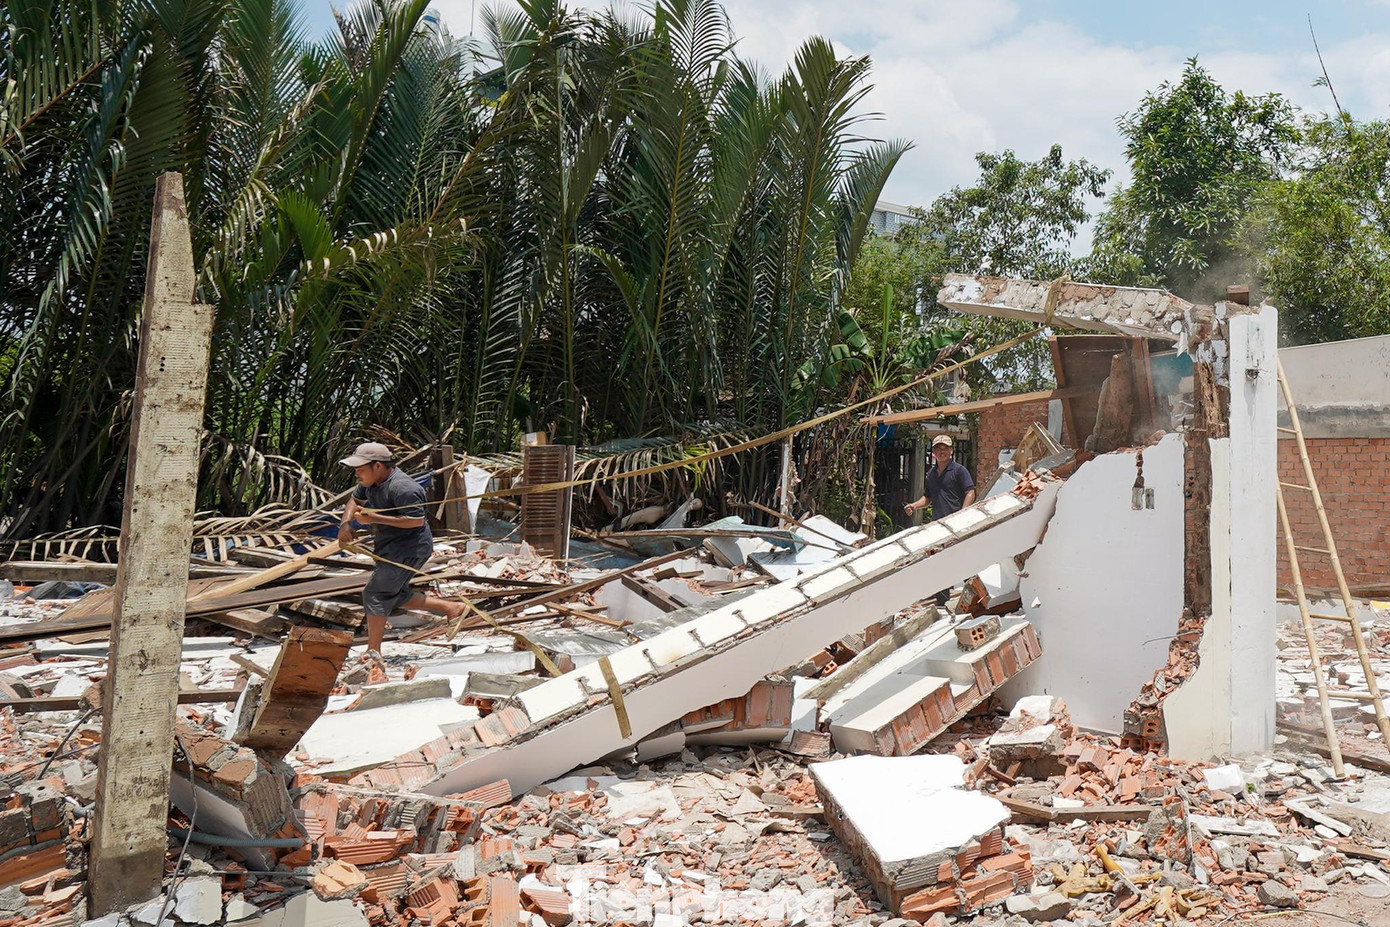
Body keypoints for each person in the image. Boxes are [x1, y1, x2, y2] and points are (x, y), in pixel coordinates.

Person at [337, 442, 464, 651]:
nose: (357, 474)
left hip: (410, 548)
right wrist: (345, 523)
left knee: (376, 594)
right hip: (389, 546)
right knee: (392, 593)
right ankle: (452, 608)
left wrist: (374, 518)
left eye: (360, 469)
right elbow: (354, 500)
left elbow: (415, 520)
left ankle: (373, 652)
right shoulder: (370, 482)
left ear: (377, 466)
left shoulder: (403, 487)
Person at [903, 435, 977, 606]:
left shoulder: (959, 471)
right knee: (940, 562)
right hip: (939, 526)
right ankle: (942, 601)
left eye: (945, 449)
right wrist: (914, 506)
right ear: (934, 452)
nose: (942, 452)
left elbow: (970, 492)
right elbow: (928, 497)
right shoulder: (931, 474)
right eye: (938, 449)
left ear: (951, 451)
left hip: (957, 524)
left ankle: (974, 599)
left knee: (962, 560)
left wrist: (963, 514)